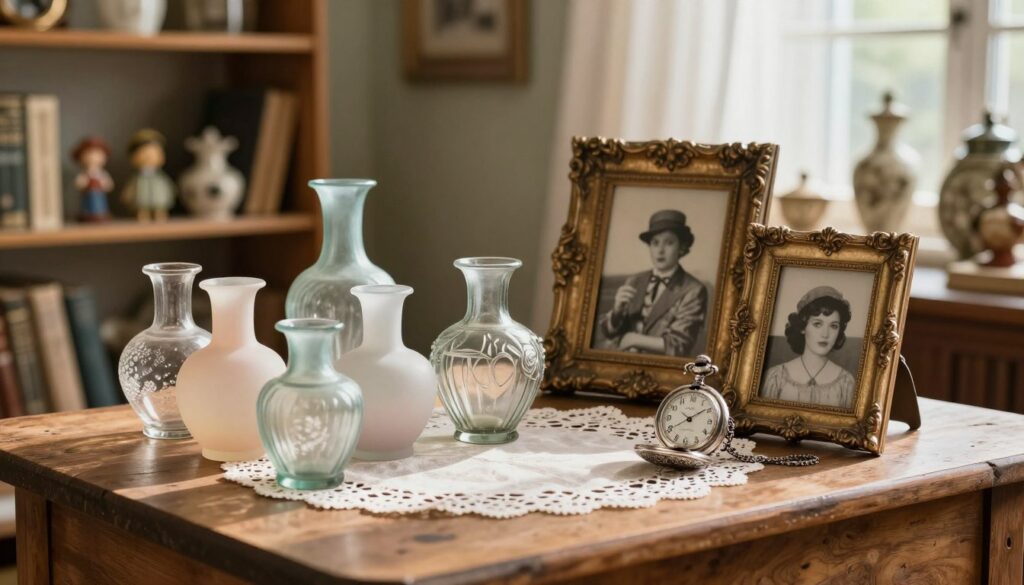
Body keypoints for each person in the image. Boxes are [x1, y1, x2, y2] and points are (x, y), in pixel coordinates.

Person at [597, 209, 708, 356]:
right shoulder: (635, 280)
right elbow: (607, 332)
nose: (660, 250)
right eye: (655, 243)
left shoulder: (694, 289)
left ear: (681, 247)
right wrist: (617, 311)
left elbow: (679, 346)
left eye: (669, 243)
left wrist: (633, 339)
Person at [760, 286, 856, 408]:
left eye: (833, 326)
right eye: (817, 324)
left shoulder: (846, 383)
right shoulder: (775, 377)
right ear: (802, 327)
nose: (825, 334)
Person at [71, 136, 113, 222]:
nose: (93, 157)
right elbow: (78, 183)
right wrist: (83, 183)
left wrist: (105, 184)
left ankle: (100, 213)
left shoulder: (102, 174)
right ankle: (88, 214)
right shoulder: (85, 174)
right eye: (89, 154)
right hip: (88, 195)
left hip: (99, 194)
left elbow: (109, 184)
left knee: (100, 203)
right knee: (88, 204)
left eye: (97, 154)